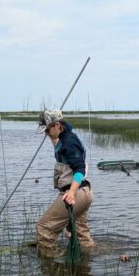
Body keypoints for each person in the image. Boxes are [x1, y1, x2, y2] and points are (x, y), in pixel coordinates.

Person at [36, 109, 95, 258]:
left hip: (75, 194)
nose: (46, 134)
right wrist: (51, 130)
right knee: (81, 237)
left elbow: (79, 168)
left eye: (47, 130)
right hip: (85, 192)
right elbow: (57, 143)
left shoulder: (69, 142)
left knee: (44, 228)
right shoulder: (65, 137)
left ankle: (51, 266)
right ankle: (86, 264)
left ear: (57, 125)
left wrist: (71, 192)